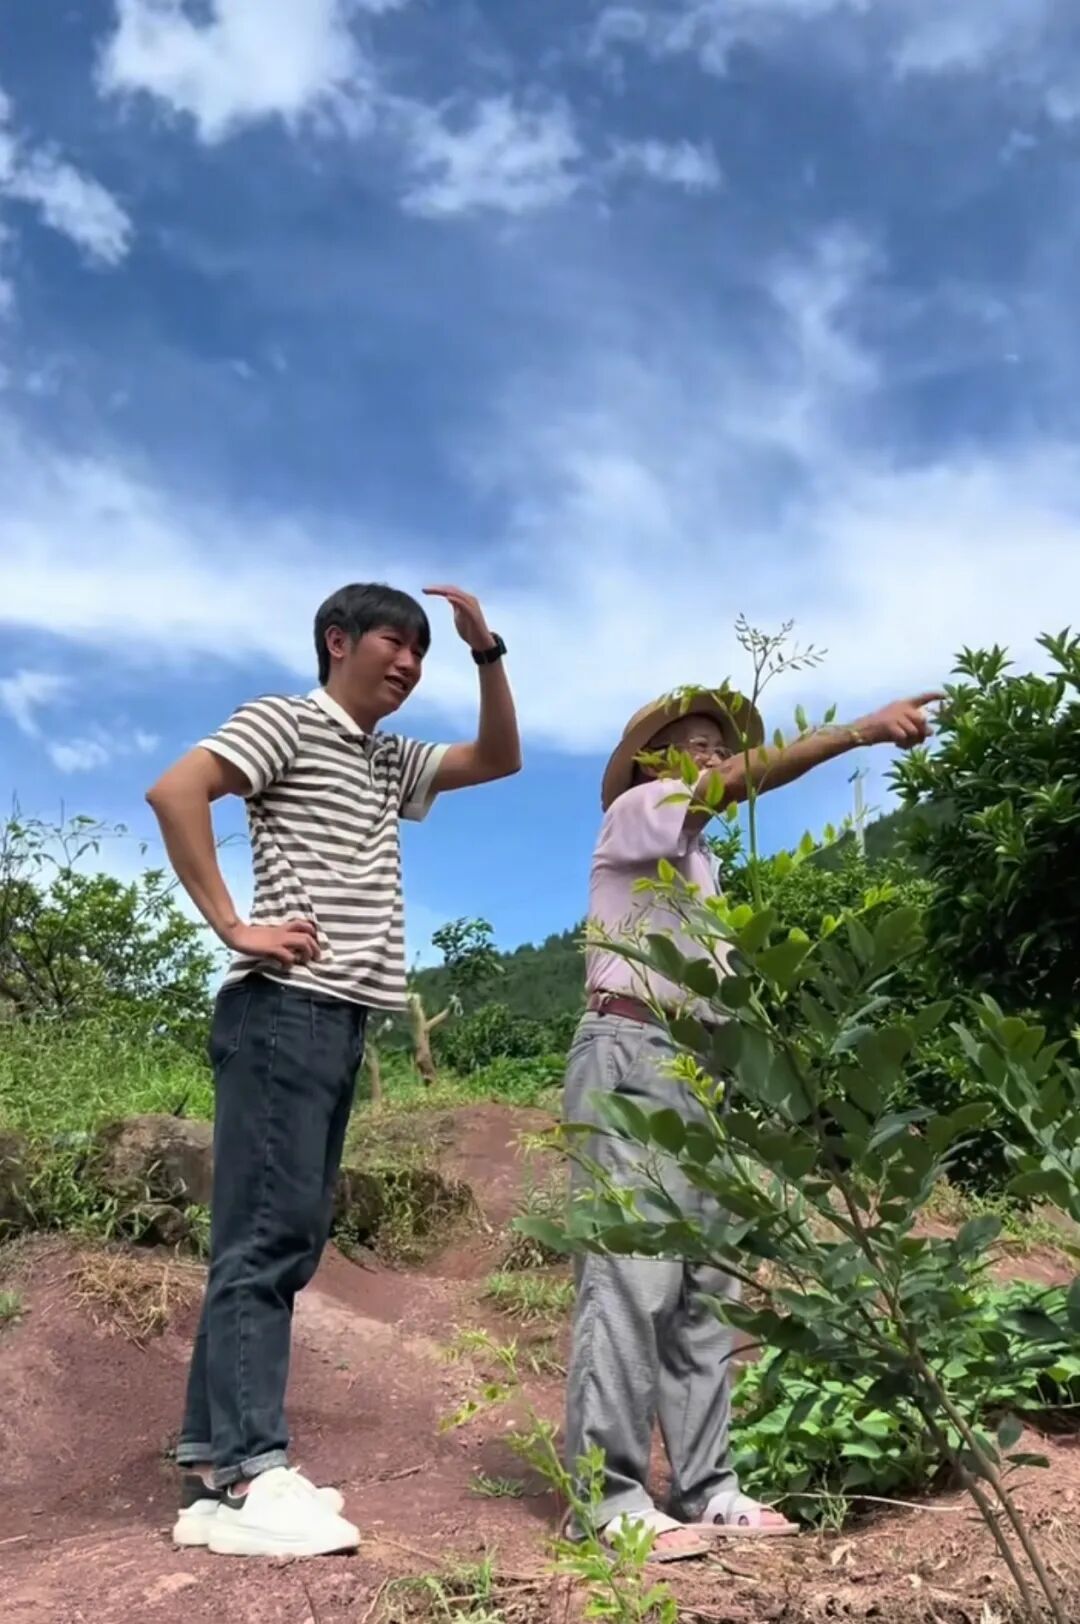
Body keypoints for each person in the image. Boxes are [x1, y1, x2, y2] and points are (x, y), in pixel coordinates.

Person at [146, 582, 520, 1558]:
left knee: (280, 1234)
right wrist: (234, 925)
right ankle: (251, 1471)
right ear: (337, 640)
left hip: (337, 1016)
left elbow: (499, 758)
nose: (410, 663)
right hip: (285, 1007)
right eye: (397, 642)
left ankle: (214, 1471)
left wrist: (487, 654)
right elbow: (176, 790)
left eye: (422, 652)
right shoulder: (287, 720)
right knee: (268, 1238)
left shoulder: (386, 759)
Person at [564, 687, 940, 1560]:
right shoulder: (638, 811)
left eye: (716, 743)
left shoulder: (699, 864)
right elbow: (724, 788)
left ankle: (707, 1489)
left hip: (702, 1067)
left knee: (706, 1284)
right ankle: (607, 1499)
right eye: (693, 741)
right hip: (632, 1049)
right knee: (631, 1272)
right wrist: (858, 732)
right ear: (652, 762)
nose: (709, 753)